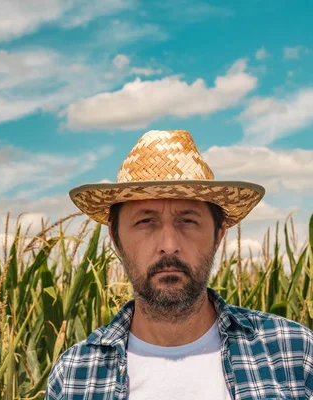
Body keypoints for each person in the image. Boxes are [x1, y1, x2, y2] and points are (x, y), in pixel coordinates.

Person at [46, 130, 313, 399]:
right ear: (116, 240)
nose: (169, 244)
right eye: (145, 221)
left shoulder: (293, 353)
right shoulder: (74, 374)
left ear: (218, 236)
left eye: (187, 220)